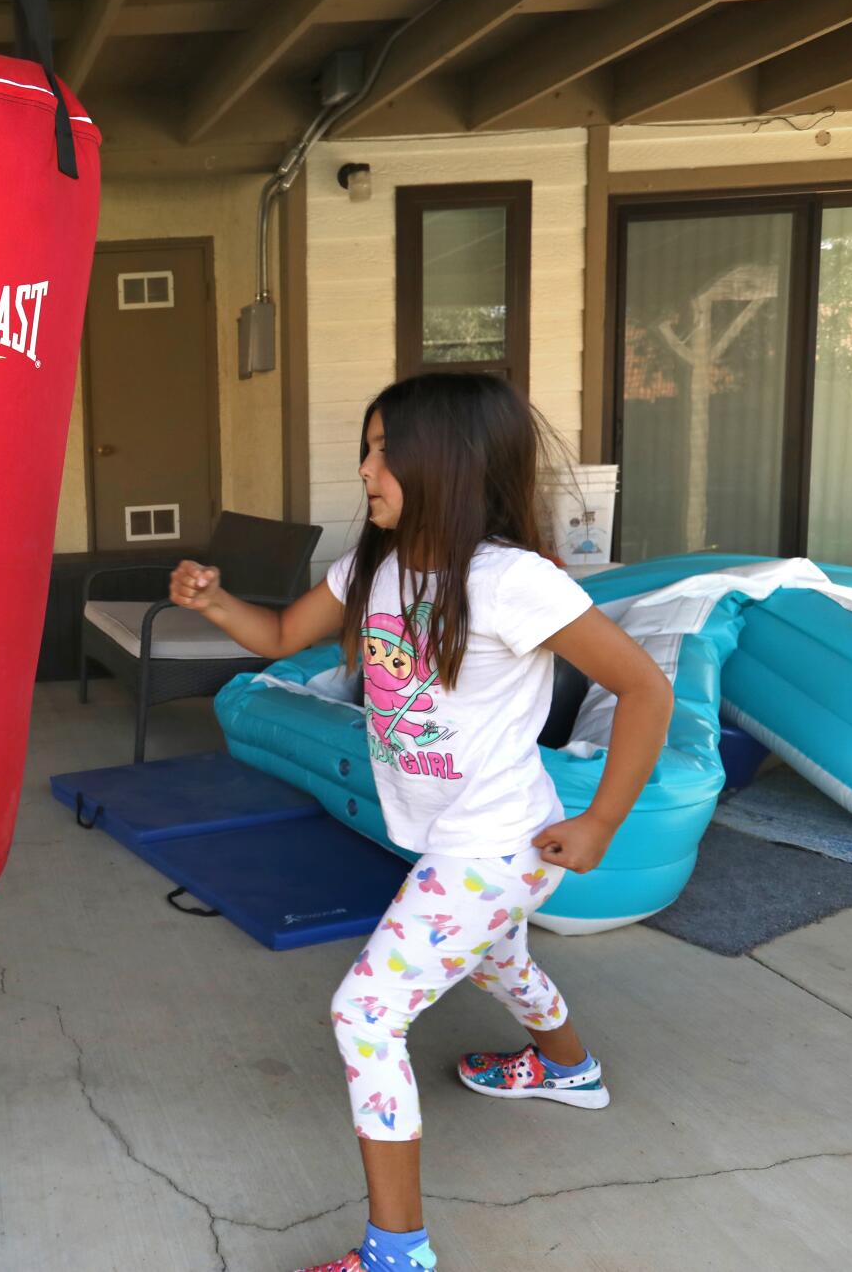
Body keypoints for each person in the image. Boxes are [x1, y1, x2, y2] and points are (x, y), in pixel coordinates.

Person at [169, 373, 673, 1272]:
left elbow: (644, 686)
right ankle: (568, 1070)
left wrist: (602, 820)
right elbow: (283, 633)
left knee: (366, 1013)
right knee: (501, 959)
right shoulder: (375, 565)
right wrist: (213, 603)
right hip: (457, 844)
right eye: (365, 449)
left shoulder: (513, 580)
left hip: (498, 843)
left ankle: (396, 1252)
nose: (365, 469)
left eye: (381, 450)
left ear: (448, 462)